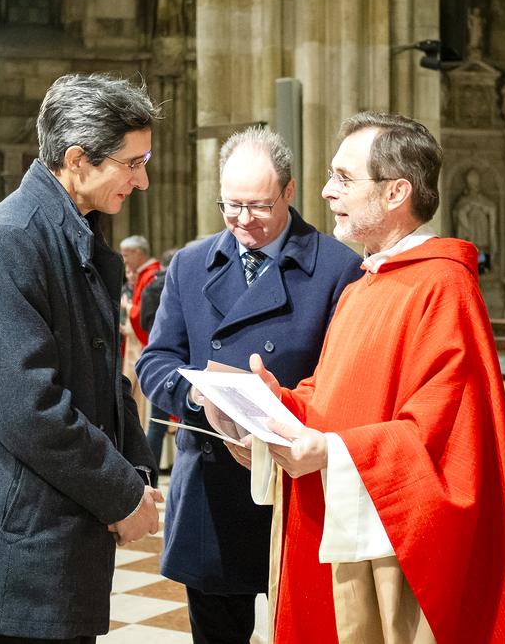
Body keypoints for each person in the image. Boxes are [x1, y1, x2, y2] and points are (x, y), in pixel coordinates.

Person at [213, 112, 505, 644]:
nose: (325, 191)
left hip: (388, 553)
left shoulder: (444, 288)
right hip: (332, 526)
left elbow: (440, 439)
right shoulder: (362, 286)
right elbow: (331, 397)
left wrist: (331, 452)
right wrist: (277, 404)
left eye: (343, 178)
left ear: (395, 192)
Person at [0, 73, 163, 644]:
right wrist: (121, 494)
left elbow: (103, 374)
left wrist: (135, 472)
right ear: (77, 159)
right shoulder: (10, 240)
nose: (142, 180)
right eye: (132, 163)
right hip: (29, 537)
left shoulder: (69, 233)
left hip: (61, 524)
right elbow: (29, 409)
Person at [136, 127, 363, 644]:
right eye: (231, 205)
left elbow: (345, 380)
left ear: (289, 191)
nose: (243, 219)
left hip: (298, 489)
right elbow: (156, 360)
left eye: (259, 205)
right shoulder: (190, 264)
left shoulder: (337, 267)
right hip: (212, 488)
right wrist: (196, 395)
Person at [138, 246, 178, 465]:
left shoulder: (150, 289)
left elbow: (144, 323)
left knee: (157, 423)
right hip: (185, 357)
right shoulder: (184, 285)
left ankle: (149, 474)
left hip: (161, 359)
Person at [120, 235, 161, 429]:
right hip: (135, 342)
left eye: (126, 255)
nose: (124, 260)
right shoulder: (144, 274)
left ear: (138, 253)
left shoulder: (151, 275)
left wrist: (127, 307)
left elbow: (144, 314)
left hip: (144, 343)